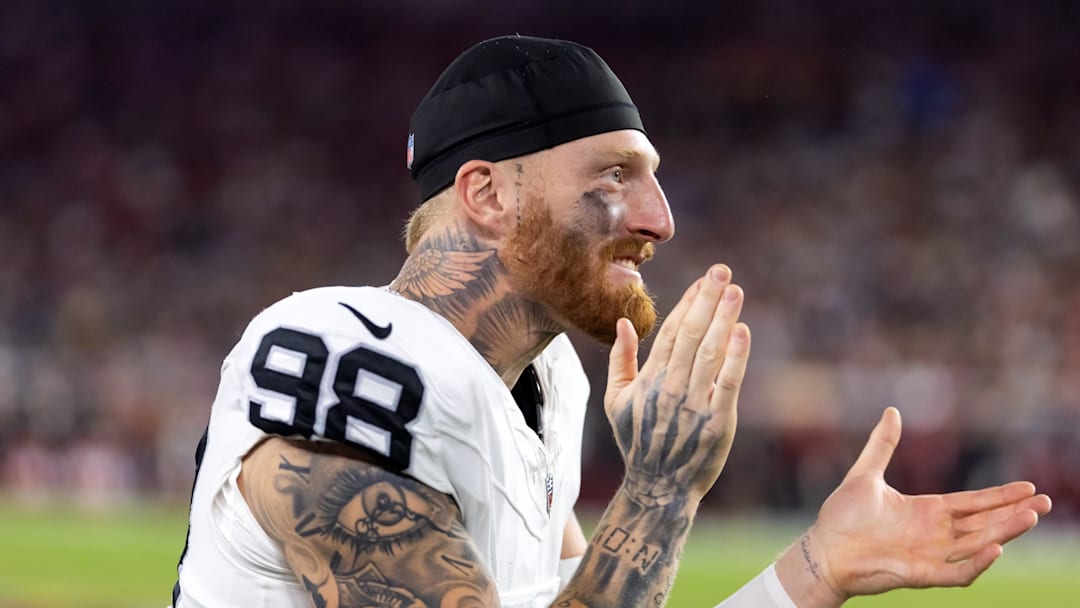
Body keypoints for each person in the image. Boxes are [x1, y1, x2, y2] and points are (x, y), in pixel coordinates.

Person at [170, 35, 1052, 608]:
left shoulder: (543, 383)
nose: (660, 219)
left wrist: (817, 570)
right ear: (486, 193)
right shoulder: (338, 362)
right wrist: (661, 493)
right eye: (614, 175)